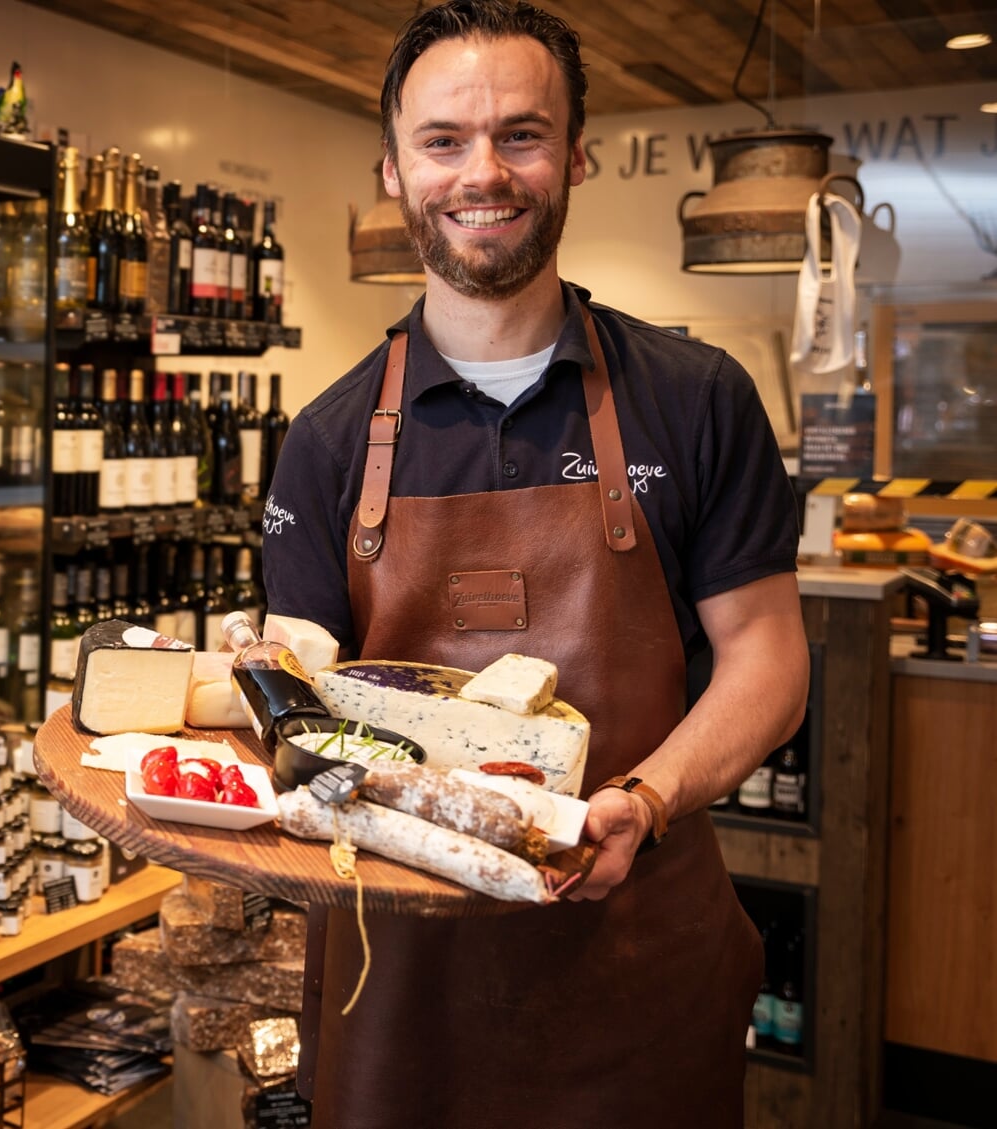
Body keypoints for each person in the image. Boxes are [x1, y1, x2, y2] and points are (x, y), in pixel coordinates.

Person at [259, 1, 809, 1124]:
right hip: (392, 964)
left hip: (633, 954)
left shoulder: (693, 401)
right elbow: (294, 681)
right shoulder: (324, 438)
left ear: (574, 155)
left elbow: (767, 660)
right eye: (443, 141)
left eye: (521, 134)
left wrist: (644, 798)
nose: (482, 173)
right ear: (393, 167)